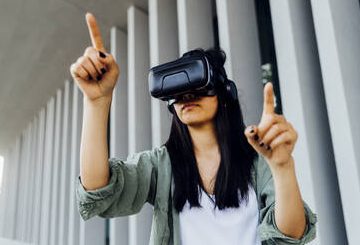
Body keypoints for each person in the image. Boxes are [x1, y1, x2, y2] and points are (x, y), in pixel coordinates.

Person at [70, 13, 317, 245]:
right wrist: (97, 102)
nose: (186, 95)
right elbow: (98, 193)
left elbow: (291, 236)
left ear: (224, 94)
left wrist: (283, 168)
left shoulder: (258, 161)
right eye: (177, 89)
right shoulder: (160, 165)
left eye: (198, 86)